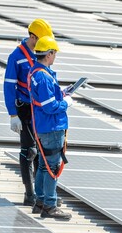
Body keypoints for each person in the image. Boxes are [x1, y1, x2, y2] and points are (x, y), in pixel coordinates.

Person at [4, 19, 54, 206]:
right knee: (28, 150)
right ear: (32, 36)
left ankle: (41, 194)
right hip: (23, 109)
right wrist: (13, 114)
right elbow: (9, 86)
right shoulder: (16, 56)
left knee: (42, 151)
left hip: (39, 109)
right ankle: (29, 193)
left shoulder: (42, 54)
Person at [27, 36, 72, 219]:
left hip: (43, 125)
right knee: (51, 166)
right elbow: (50, 107)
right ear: (49, 54)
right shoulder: (43, 77)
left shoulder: (35, 72)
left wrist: (62, 93)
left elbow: (44, 98)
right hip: (51, 126)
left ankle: (40, 202)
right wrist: (66, 103)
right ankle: (50, 206)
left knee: (43, 167)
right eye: (54, 53)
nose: (55, 57)